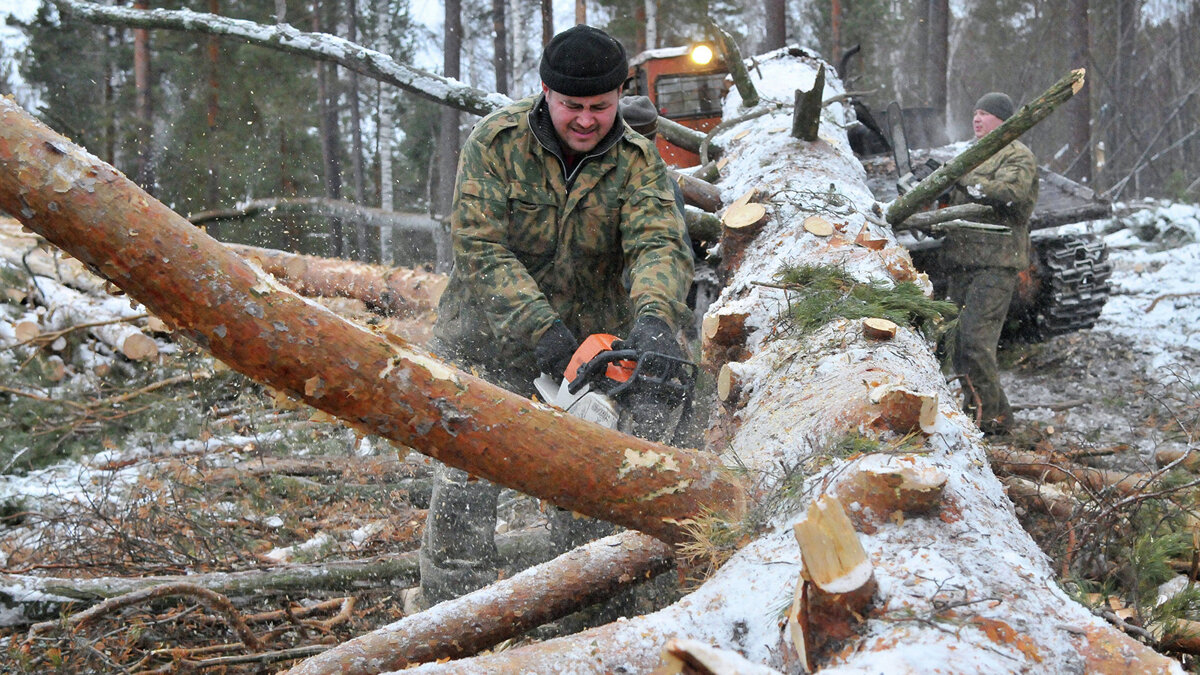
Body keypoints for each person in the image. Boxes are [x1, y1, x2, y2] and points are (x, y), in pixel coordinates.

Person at [418, 25, 695, 607]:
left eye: (600, 106)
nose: (587, 120)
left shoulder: (637, 161)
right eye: (573, 106)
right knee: (468, 475)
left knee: (585, 480)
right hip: (487, 338)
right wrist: (538, 327)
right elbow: (479, 247)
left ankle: (585, 609)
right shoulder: (496, 144)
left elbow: (659, 243)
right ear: (546, 92)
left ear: (619, 96)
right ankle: (448, 614)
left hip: (586, 354)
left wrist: (654, 317)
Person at [942, 91, 1038, 435]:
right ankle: (992, 416)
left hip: (995, 264)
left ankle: (989, 424)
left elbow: (1010, 195)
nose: (976, 119)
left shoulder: (1016, 155)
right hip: (963, 261)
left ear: (1003, 119)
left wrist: (964, 179)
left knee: (975, 343)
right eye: (975, 112)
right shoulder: (975, 154)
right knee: (957, 343)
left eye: (984, 113)